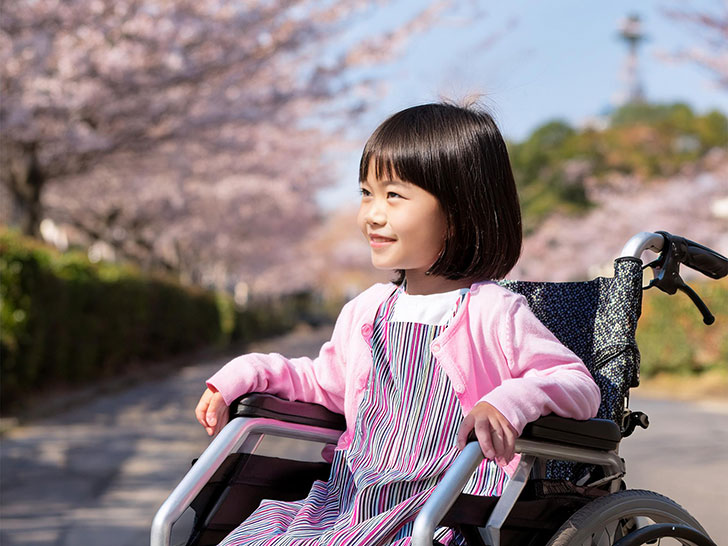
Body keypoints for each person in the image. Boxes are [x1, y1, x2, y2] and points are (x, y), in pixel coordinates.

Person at [195, 102, 601, 545]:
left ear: (459, 213)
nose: (370, 213)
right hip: (351, 502)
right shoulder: (367, 311)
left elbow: (576, 383)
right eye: (366, 193)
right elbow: (322, 383)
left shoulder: (493, 311)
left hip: (448, 510)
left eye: (393, 195)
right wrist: (249, 373)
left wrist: (510, 401)